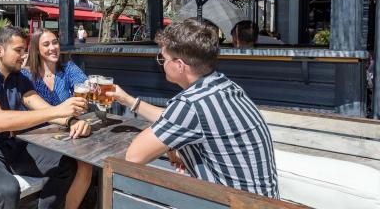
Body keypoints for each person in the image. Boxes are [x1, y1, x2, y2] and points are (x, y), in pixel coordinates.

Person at [107, 18, 279, 198]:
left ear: (179, 65)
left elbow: (134, 157)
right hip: (262, 201)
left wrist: (172, 145)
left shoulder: (190, 104)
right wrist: (128, 100)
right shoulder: (224, 86)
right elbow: (175, 119)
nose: (162, 64)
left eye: (163, 58)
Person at [0, 26, 92, 209]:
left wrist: (72, 121)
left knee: (66, 165)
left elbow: (40, 106)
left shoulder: (19, 78)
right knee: (7, 189)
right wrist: (60, 110)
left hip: (10, 147)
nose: (24, 56)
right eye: (18, 50)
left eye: (25, 50)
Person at [21, 29, 92, 208]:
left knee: (86, 164)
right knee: (77, 165)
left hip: (67, 132)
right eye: (46, 44)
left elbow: (87, 87)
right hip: (38, 137)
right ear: (36, 49)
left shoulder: (68, 69)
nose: (53, 48)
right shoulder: (26, 75)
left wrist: (92, 89)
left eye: (55, 42)